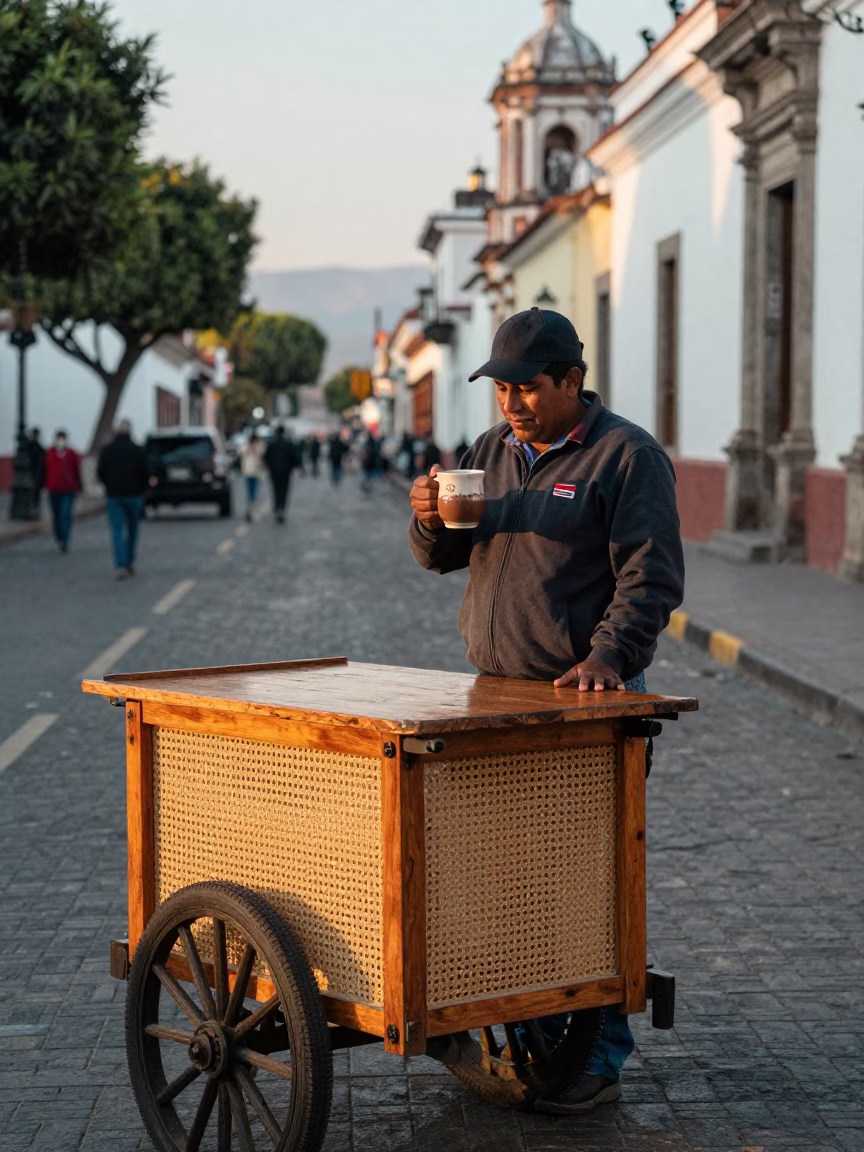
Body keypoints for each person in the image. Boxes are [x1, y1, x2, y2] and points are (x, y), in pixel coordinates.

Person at [408, 307, 684, 1115]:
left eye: (527, 389)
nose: (512, 405)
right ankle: (525, 1032)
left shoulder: (627, 457)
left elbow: (650, 576)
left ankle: (595, 1055)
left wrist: (608, 655)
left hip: (581, 712)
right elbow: (448, 555)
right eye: (501, 390)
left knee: (584, 887)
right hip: (488, 701)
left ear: (572, 380)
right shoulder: (489, 453)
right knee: (503, 881)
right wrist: (428, 522)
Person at [97, 420, 148, 578]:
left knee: (117, 530)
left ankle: (121, 564)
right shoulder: (138, 450)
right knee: (133, 529)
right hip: (133, 496)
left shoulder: (107, 450)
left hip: (114, 496)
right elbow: (145, 473)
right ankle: (130, 560)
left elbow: (100, 473)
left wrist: (109, 486)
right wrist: (141, 489)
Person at [44, 430, 82, 553]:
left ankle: (65, 540)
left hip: (69, 489)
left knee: (65, 514)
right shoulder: (49, 453)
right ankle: (59, 537)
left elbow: (77, 471)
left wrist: (79, 486)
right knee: (56, 515)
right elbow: (44, 470)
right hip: (53, 489)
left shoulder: (71, 454)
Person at [264, 426, 303, 524]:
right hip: (285, 471)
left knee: (276, 489)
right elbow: (294, 457)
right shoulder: (288, 443)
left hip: (274, 471)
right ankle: (281, 507)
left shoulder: (271, 443)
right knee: (284, 490)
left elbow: (266, 457)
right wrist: (297, 466)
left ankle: (277, 507)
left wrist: (269, 467)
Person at [239, 431, 266, 522]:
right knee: (252, 493)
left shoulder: (258, 446)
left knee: (252, 492)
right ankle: (250, 510)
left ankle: (250, 510)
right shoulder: (246, 446)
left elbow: (262, 453)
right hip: (250, 472)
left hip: (253, 472)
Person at [27, 428, 46, 512]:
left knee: (36, 494)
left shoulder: (40, 449)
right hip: (29, 475)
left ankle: (35, 509)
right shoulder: (28, 448)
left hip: (37, 475)